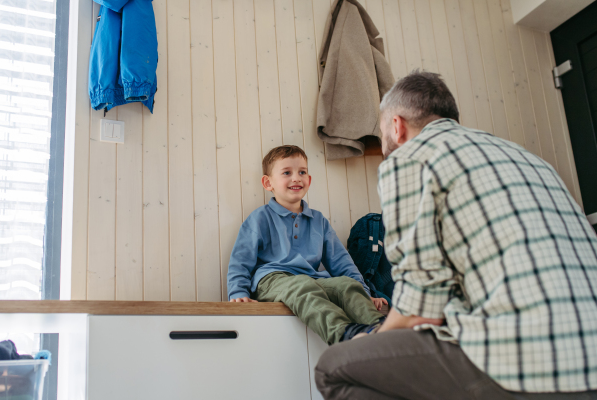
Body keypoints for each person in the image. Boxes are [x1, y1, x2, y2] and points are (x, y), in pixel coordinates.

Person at [315, 71, 597, 399]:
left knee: (334, 367)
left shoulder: (409, 159)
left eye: (381, 133)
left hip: (531, 362)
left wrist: (376, 336)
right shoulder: (528, 158)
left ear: (397, 126)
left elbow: (422, 309)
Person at [227, 145, 388, 344]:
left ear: (309, 180)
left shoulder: (318, 220)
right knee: (302, 286)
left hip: (311, 279)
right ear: (268, 183)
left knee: (346, 284)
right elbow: (240, 260)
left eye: (302, 172)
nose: (296, 178)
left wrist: (365, 292)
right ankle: (344, 333)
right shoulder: (260, 218)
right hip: (272, 279)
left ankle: (384, 329)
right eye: (287, 172)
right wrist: (238, 292)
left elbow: (341, 262)